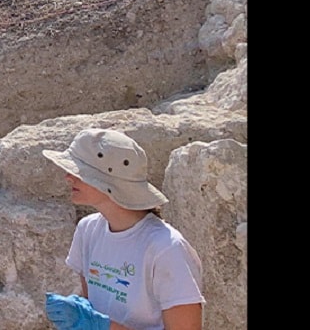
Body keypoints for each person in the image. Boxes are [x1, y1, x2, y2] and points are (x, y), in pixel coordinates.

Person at [42, 128, 205, 330]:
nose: (68, 177)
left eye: (79, 171)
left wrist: (103, 327)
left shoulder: (167, 249)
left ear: (109, 181)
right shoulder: (88, 230)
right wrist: (79, 314)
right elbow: (93, 305)